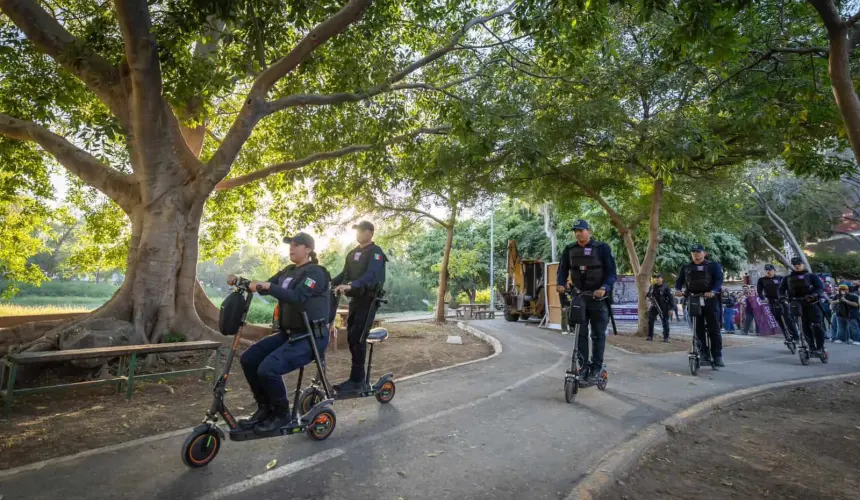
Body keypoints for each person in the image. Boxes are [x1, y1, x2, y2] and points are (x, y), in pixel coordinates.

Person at [234, 232, 333, 432]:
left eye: (297, 245)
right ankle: (265, 409)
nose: (292, 248)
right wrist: (242, 281)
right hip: (289, 334)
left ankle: (282, 415)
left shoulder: (316, 273)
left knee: (268, 369)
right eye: (290, 244)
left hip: (311, 337)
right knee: (249, 359)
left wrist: (270, 286)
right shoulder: (287, 271)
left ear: (308, 249)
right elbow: (265, 287)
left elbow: (297, 297)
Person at [556, 219, 618, 383]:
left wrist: (604, 287)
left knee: (598, 335)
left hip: (598, 298)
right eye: (575, 230)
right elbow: (562, 270)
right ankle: (583, 367)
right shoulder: (569, 250)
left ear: (588, 231)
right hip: (579, 297)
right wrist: (561, 284)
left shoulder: (602, 248)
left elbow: (612, 273)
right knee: (580, 334)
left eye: (581, 230)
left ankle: (596, 368)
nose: (578, 233)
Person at [331, 221, 387, 392]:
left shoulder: (376, 252)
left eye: (362, 231)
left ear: (370, 233)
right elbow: (344, 274)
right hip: (355, 300)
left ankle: (358, 381)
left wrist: (352, 285)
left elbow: (371, 275)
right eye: (357, 231)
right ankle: (356, 378)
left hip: (368, 300)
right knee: (351, 337)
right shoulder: (353, 253)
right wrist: (328, 284)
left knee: (359, 337)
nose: (358, 233)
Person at [675, 244, 725, 366]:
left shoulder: (713, 265)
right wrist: (677, 290)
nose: (696, 254)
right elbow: (679, 281)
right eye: (693, 252)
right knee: (697, 329)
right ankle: (703, 353)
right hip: (693, 299)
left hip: (710, 299)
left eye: (698, 252)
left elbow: (719, 280)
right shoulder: (686, 267)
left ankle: (717, 355)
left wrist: (713, 291)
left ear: (704, 253)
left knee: (714, 328)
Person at [779, 257, 828, 356]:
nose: (797, 266)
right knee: (803, 327)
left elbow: (820, 287)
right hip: (796, 303)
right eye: (795, 265)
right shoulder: (787, 278)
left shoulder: (811, 276)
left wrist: (814, 294)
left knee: (817, 325)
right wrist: (782, 297)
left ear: (803, 264)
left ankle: (820, 347)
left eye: (799, 264)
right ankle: (811, 347)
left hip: (812, 302)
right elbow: (781, 289)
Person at [756, 264, 799, 342]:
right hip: (771, 301)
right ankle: (787, 337)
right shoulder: (761, 280)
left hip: (782, 300)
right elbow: (759, 291)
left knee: (788, 318)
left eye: (770, 270)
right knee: (779, 320)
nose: (769, 272)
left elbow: (788, 288)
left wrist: (789, 297)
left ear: (774, 271)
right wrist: (763, 298)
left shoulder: (780, 278)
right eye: (767, 270)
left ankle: (796, 337)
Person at [646, 274, 673, 341]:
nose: (657, 279)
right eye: (656, 278)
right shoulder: (652, 287)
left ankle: (666, 337)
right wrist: (648, 297)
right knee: (650, 320)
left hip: (664, 307)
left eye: (658, 278)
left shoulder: (666, 287)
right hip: (654, 306)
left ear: (662, 279)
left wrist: (670, 308)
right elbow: (647, 295)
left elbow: (671, 298)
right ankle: (650, 336)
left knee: (665, 322)